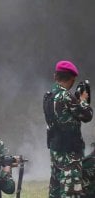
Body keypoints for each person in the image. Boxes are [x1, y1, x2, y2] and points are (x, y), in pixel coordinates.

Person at [44, 60, 92, 198]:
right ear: (72, 78)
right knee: (71, 191)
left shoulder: (48, 95)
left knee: (56, 189)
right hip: (70, 153)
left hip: (56, 150)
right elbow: (87, 115)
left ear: (55, 76)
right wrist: (83, 100)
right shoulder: (66, 96)